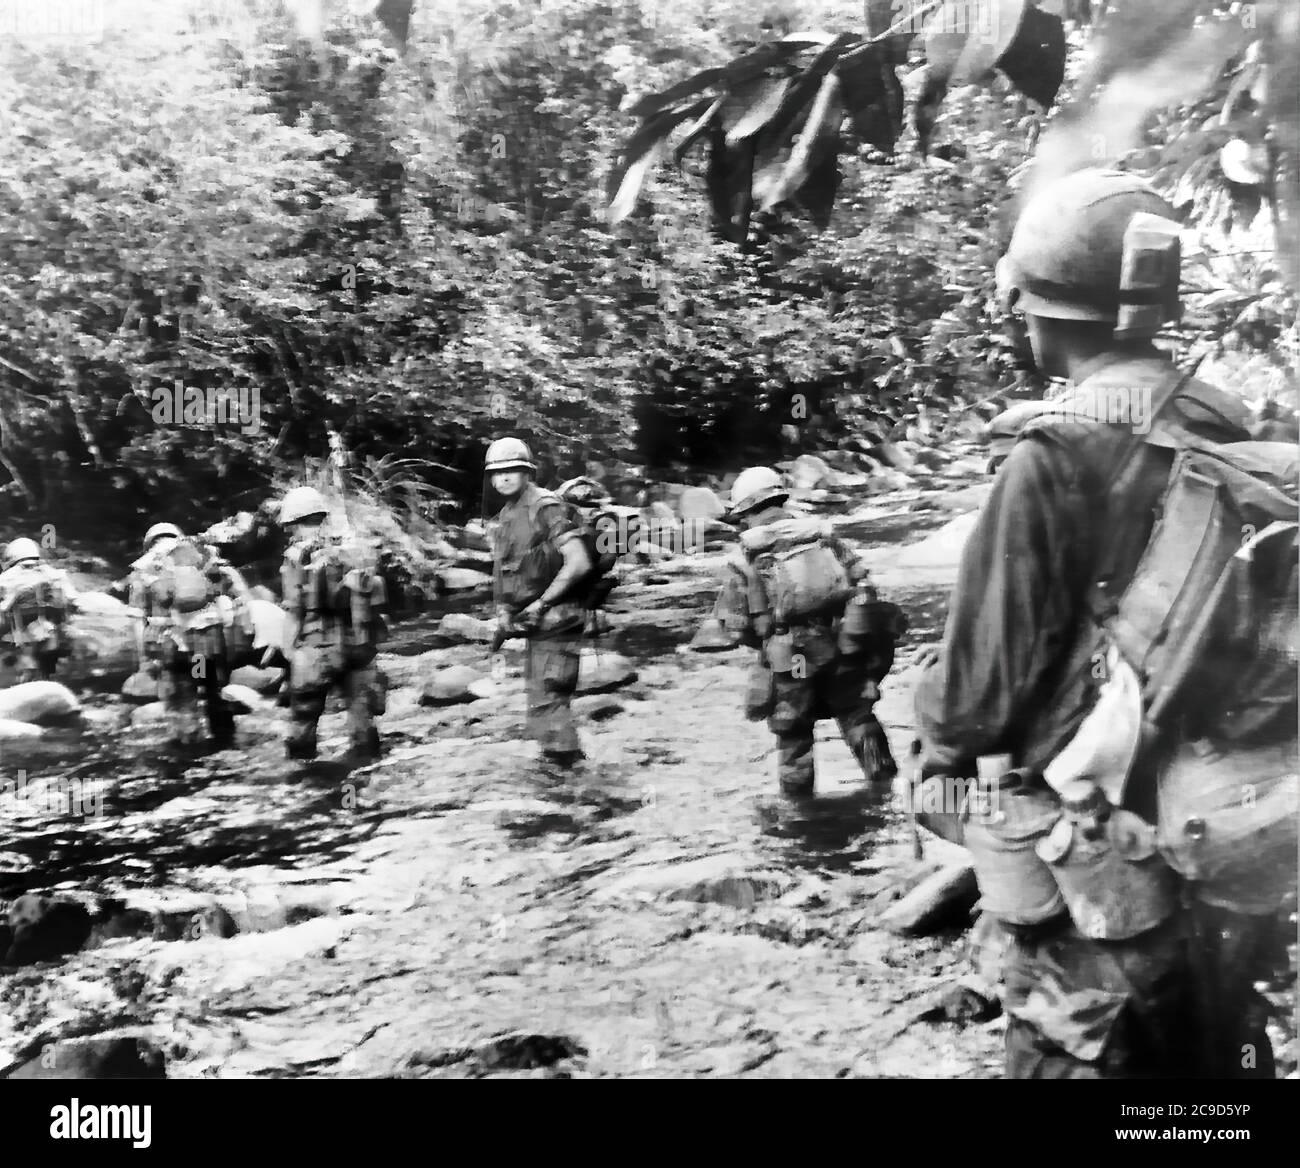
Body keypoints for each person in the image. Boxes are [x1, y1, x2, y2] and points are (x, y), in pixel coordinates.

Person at [912, 167, 1285, 1079]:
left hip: (1104, 872)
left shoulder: (1049, 457)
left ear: (1034, 305)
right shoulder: (1223, 420)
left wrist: (926, 730)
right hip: (1233, 838)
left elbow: (976, 707)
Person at [699, 465, 902, 797]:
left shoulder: (745, 556)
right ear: (781, 498)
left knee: (793, 733)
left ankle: (802, 815)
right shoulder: (823, 535)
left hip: (790, 658)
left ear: (749, 510)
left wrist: (767, 637)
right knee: (857, 715)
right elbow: (865, 585)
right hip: (843, 644)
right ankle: (887, 791)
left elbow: (734, 626)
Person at [486, 438, 593, 770]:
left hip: (557, 619)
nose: (503, 478)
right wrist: (505, 612)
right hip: (537, 624)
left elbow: (579, 562)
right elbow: (508, 572)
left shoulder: (545, 506)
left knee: (550, 701)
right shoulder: (507, 513)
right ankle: (559, 773)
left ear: (527, 472)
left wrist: (543, 604)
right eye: (496, 473)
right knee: (541, 703)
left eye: (511, 471)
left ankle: (575, 777)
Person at [277, 485, 387, 763]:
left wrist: (289, 653)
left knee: (303, 719)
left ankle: (304, 777)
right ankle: (366, 771)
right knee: (362, 719)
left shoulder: (296, 557)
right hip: (358, 645)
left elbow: (293, 611)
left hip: (317, 650)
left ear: (294, 524)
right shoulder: (350, 548)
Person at [129, 522, 252, 746]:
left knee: (184, 701)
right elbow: (238, 594)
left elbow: (138, 621)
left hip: (175, 650)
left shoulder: (144, 569)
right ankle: (225, 746)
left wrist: (144, 660)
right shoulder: (203, 558)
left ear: (149, 544)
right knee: (212, 691)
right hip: (207, 646)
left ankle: (191, 758)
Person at [0, 538, 80, 681]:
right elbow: (74, 599)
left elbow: (3, 607)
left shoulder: (6, 579)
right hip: (54, 634)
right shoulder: (57, 575)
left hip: (19, 637)